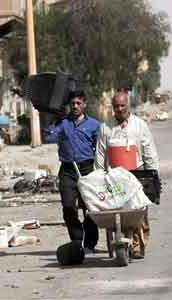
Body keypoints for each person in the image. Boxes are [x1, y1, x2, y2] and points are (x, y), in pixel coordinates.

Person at [95, 91, 160, 259]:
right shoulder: (106, 128)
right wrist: (99, 177)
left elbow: (149, 152)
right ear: (113, 108)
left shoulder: (139, 126)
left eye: (122, 105)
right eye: (116, 106)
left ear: (128, 105)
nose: (119, 109)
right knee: (116, 211)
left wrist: (154, 174)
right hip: (114, 176)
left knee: (139, 211)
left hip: (137, 175)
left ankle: (138, 244)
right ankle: (119, 238)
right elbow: (101, 155)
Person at [44, 90, 100, 253]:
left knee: (89, 207)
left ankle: (90, 244)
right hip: (68, 170)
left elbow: (100, 148)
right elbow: (48, 137)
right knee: (68, 206)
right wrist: (56, 119)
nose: (75, 106)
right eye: (72, 103)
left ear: (84, 105)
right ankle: (76, 240)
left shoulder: (94, 125)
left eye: (78, 103)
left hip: (88, 169)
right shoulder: (63, 123)